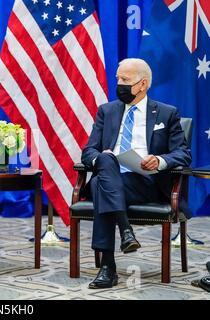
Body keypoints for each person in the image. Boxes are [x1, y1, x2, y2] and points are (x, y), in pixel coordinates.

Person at [81, 58, 191, 289]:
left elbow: (182, 153)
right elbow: (89, 150)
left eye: (125, 80)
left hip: (144, 181)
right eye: (118, 79)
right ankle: (125, 233)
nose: (119, 84)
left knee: (102, 183)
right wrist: (102, 158)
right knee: (105, 163)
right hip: (111, 175)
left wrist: (160, 160)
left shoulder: (166, 113)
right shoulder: (107, 111)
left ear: (143, 84)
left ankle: (108, 267)